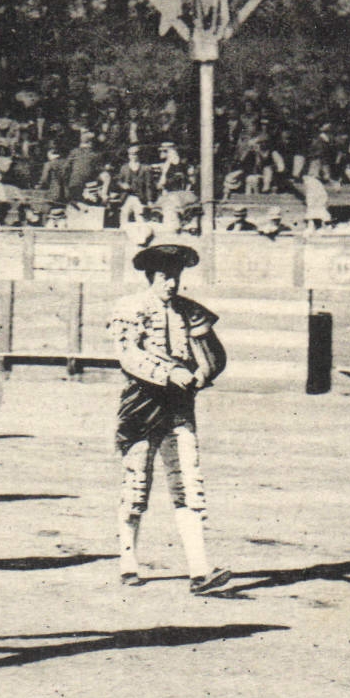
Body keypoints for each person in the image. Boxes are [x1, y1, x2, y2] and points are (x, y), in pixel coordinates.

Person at [107, 244, 231, 593]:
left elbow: (215, 356)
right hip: (141, 403)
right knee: (136, 483)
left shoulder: (188, 310)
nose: (172, 284)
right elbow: (128, 355)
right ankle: (128, 561)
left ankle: (199, 570)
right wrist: (169, 373)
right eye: (165, 277)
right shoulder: (129, 308)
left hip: (178, 405)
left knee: (189, 483)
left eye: (176, 277)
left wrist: (202, 375)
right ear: (152, 276)